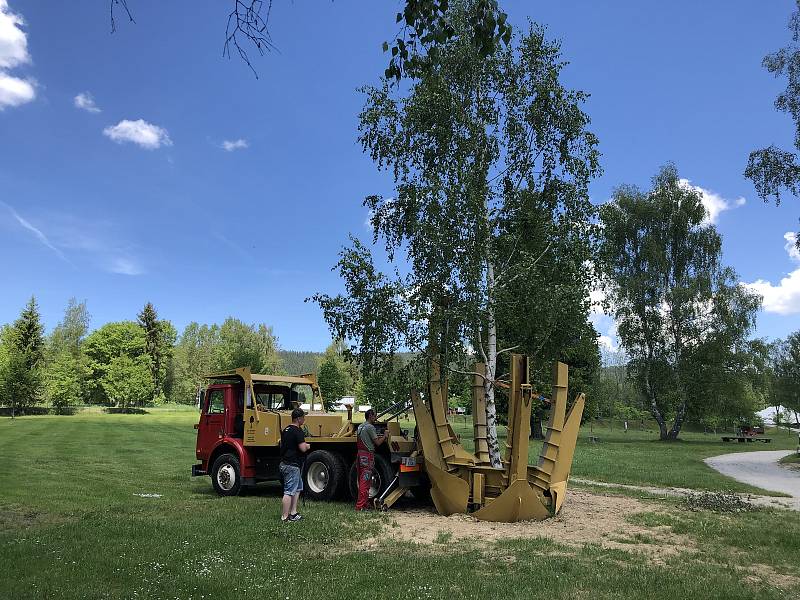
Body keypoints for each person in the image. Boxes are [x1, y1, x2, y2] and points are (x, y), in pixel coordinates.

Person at [355, 408, 390, 511]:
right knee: (365, 481)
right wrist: (385, 436)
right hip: (367, 455)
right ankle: (360, 506)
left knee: (361, 479)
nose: (376, 418)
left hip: (360, 454)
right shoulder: (370, 427)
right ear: (370, 416)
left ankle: (364, 504)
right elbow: (378, 443)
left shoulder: (361, 426)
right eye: (374, 416)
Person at [280, 408, 310, 522]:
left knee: (298, 488)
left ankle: (293, 513)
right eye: (303, 417)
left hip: (285, 463)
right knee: (289, 491)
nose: (304, 419)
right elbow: (302, 448)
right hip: (292, 465)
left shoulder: (286, 429)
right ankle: (285, 516)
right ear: (298, 419)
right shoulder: (298, 431)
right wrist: (307, 446)